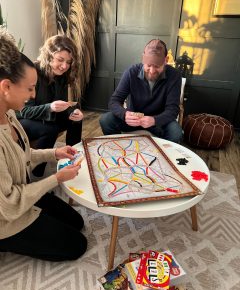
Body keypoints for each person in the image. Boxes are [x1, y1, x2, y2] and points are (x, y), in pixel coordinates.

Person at [0, 31, 87, 261]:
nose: (34, 94)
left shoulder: (8, 114)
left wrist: (54, 153)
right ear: (6, 86)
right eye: (30, 88)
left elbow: (23, 154)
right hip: (6, 217)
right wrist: (55, 179)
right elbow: (9, 205)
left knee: (77, 222)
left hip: (22, 190)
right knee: (78, 245)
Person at [17, 35, 83, 177]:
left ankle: (73, 157)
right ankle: (36, 172)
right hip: (24, 120)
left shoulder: (63, 75)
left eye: (68, 62)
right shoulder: (32, 71)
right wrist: (50, 107)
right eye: (60, 60)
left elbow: (62, 104)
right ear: (48, 56)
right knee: (50, 129)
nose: (64, 66)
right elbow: (24, 111)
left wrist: (73, 111)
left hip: (47, 116)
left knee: (76, 119)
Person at [99, 39, 183, 143]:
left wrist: (154, 120)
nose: (152, 71)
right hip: (134, 121)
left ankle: (162, 156)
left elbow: (173, 109)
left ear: (165, 60)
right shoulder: (131, 72)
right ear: (143, 59)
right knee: (106, 120)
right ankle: (120, 148)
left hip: (159, 121)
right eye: (148, 65)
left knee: (176, 133)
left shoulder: (174, 75)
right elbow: (114, 101)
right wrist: (124, 114)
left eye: (157, 66)